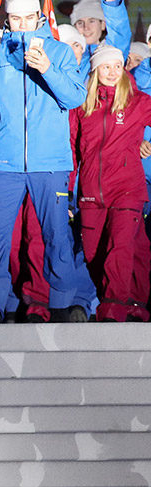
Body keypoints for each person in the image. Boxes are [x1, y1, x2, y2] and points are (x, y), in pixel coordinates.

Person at [0, 0, 87, 324]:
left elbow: (75, 97)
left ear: (38, 17)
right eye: (15, 18)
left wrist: (47, 68)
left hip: (50, 163)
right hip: (5, 162)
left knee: (56, 235)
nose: (22, 25)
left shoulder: (60, 54)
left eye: (28, 18)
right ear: (7, 18)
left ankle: (61, 303)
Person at [70, 46, 151, 321]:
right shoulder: (82, 104)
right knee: (96, 253)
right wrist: (68, 189)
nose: (113, 72)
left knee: (121, 246)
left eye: (118, 66)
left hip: (128, 189)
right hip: (92, 192)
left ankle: (114, 306)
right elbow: (72, 148)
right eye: (106, 67)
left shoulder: (138, 102)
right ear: (96, 71)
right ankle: (135, 302)